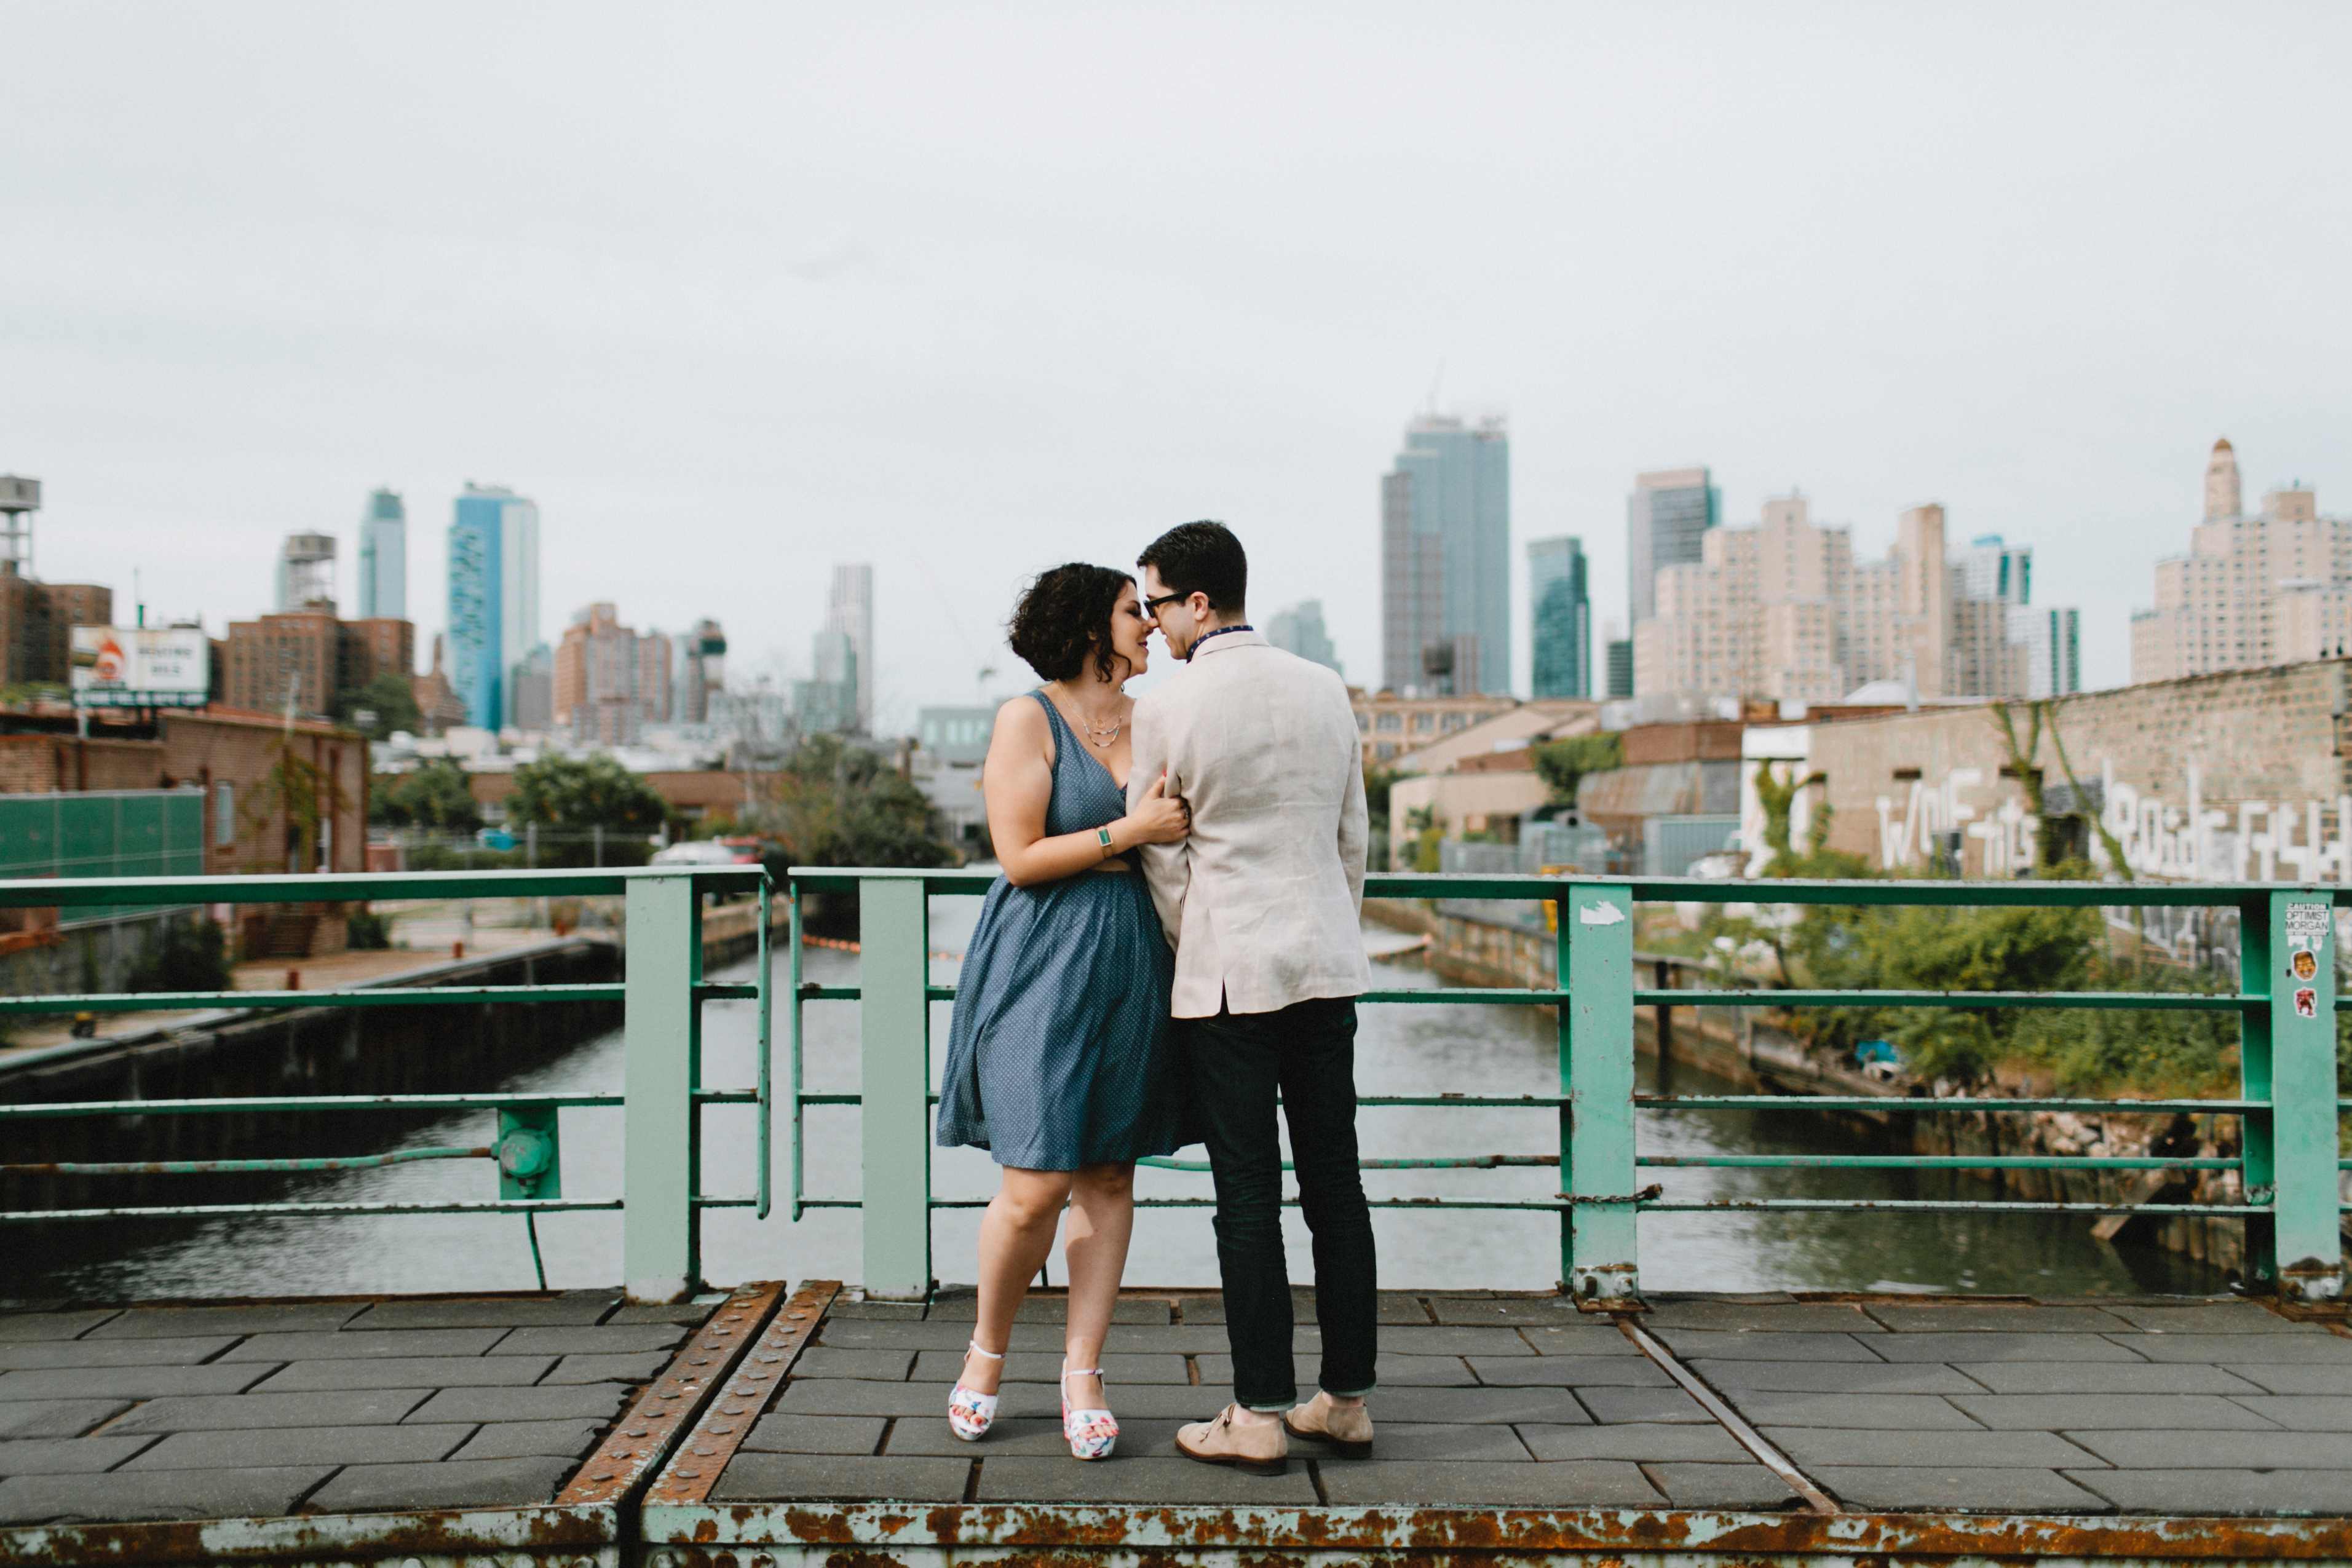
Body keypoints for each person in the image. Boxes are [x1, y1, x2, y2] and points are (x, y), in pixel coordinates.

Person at [1128, 521, 1377, 1477]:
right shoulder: (1325, 687)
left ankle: (1258, 1412)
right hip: (1324, 962)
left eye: (1156, 603)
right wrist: (1326, 924)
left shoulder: (1170, 705)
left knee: (1246, 1195)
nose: (1154, 623)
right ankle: (1344, 1399)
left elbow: (1163, 851)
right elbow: (1351, 835)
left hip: (1230, 974)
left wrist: (1201, 941)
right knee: (1335, 1185)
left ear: (1197, 602)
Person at [933, 563, 1194, 1461]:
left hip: (1132, 950)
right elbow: (1018, 856)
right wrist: (1130, 831)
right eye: (1134, 611)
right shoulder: (1026, 716)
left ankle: (1084, 1370)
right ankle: (985, 1351)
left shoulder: (1157, 717)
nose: (1150, 625)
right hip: (1042, 949)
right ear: (1090, 624)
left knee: (1110, 1173)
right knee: (1035, 1179)